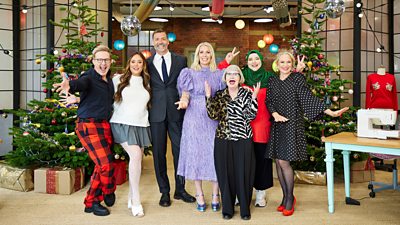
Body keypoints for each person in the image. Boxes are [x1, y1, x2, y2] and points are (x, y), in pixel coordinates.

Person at [265, 50, 349, 216]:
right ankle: (285, 197)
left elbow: (308, 98)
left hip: (291, 124)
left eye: (288, 62)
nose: (285, 65)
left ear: (293, 64)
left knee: (284, 162)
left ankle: (290, 199)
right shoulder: (272, 80)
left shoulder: (297, 78)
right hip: (277, 124)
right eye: (282, 62)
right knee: (278, 162)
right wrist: (274, 114)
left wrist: (330, 112)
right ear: (277, 64)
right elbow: (269, 100)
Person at [218, 50, 305, 207]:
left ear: (261, 60)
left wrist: (297, 71)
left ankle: (260, 193)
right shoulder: (239, 76)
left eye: (256, 58)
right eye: (250, 59)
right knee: (240, 162)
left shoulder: (269, 77)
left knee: (261, 162)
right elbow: (220, 79)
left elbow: (286, 81)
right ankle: (239, 192)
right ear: (246, 61)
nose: (254, 61)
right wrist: (226, 62)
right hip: (241, 127)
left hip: (262, 126)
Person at [53, 45, 116, 216]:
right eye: (99, 60)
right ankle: (107, 191)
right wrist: (70, 85)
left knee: (101, 165)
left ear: (110, 62)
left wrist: (78, 99)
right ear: (93, 61)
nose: (103, 63)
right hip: (88, 126)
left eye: (106, 60)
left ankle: (90, 202)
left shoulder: (108, 80)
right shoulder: (88, 76)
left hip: (104, 125)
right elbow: (80, 83)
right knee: (106, 165)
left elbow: (97, 98)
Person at [175, 42, 238, 212]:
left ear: (212, 55)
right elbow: (185, 94)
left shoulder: (219, 74)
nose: (204, 55)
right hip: (194, 118)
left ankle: (216, 195)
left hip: (213, 118)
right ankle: (199, 194)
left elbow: (227, 94)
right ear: (197, 55)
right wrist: (183, 101)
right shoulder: (188, 73)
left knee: (213, 156)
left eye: (207, 52)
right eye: (201, 52)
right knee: (196, 155)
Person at [147, 29, 195, 207]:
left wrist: (185, 99)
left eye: (163, 39)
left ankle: (180, 190)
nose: (160, 41)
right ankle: (164, 191)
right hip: (156, 113)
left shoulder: (181, 60)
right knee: (159, 154)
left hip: (177, 111)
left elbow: (186, 83)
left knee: (180, 152)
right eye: (157, 39)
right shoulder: (147, 62)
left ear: (168, 41)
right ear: (153, 43)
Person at [205, 65, 260, 220]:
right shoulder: (219, 94)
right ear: (225, 77)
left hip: (243, 139)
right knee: (225, 174)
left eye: (235, 73)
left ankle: (244, 209)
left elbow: (250, 116)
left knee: (244, 174)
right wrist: (208, 96)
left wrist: (254, 98)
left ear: (239, 77)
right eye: (229, 73)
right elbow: (213, 115)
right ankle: (227, 209)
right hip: (223, 139)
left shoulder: (247, 93)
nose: (232, 76)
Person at [109, 52, 152, 217]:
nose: (136, 65)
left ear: (143, 65)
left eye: (139, 62)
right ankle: (136, 200)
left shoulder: (147, 83)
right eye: (133, 61)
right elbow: (102, 95)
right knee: (135, 155)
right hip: (122, 123)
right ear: (129, 64)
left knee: (138, 158)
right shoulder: (118, 80)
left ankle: (130, 196)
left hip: (140, 125)